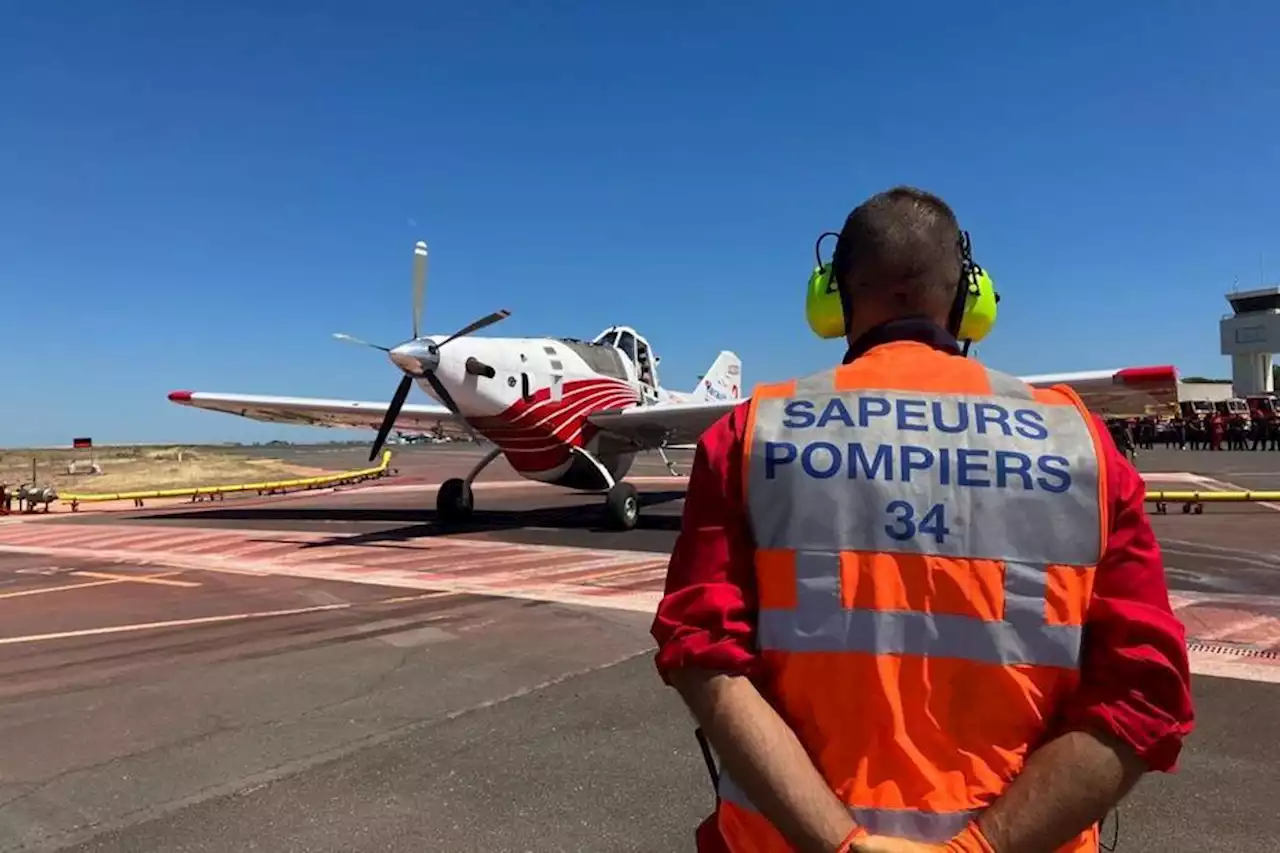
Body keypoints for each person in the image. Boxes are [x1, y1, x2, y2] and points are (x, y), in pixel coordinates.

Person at [651, 186, 1195, 853]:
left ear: (832, 298)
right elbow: (1146, 694)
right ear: (970, 298)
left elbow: (700, 653)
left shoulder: (750, 435)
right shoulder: (1079, 440)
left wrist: (843, 843)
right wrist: (978, 846)